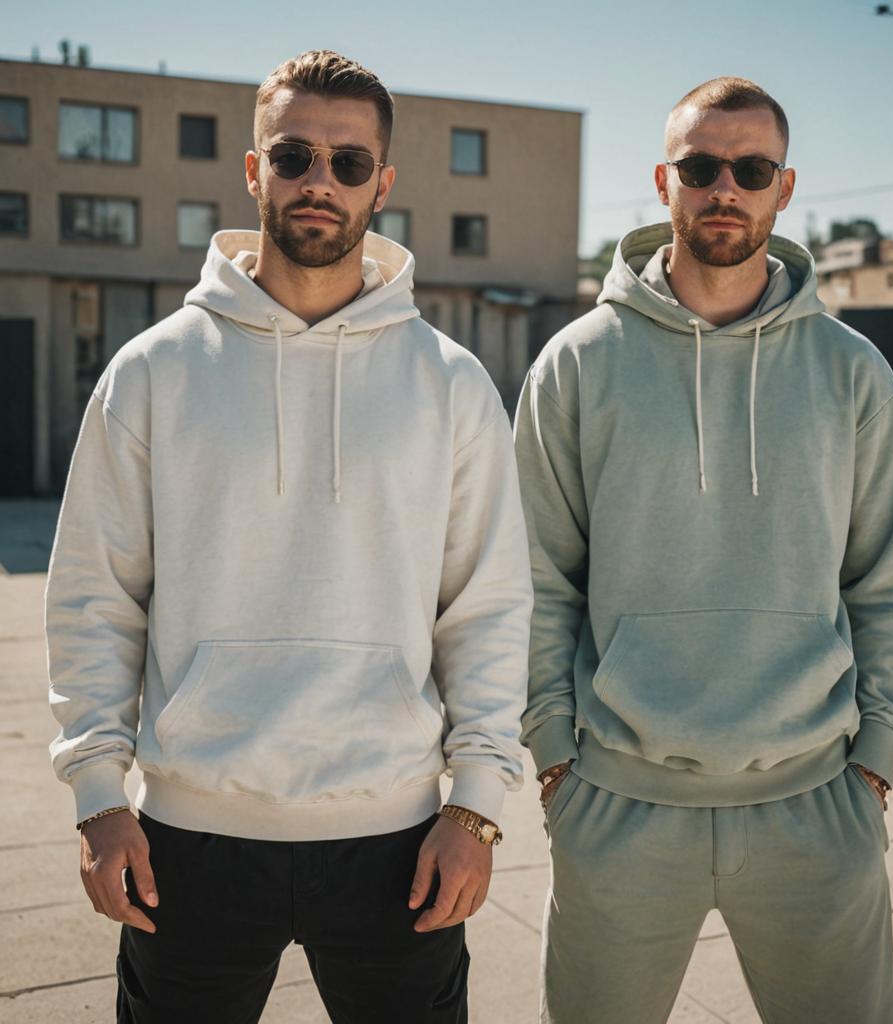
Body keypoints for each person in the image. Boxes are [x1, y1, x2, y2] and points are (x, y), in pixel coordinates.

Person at [46, 49, 532, 1023]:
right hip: (191, 837)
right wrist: (99, 793)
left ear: (383, 184)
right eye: (296, 155)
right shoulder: (153, 371)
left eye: (349, 164)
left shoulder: (449, 381)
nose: (321, 181)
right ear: (252, 168)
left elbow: (485, 606)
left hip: (400, 837)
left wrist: (475, 804)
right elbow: (97, 592)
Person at [514, 77, 893, 1024]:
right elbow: (536, 579)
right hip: (616, 802)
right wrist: (551, 756)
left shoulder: (851, 371)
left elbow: (892, 582)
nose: (724, 190)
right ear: (665, 181)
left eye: (751, 169)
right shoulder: (577, 363)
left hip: (818, 800)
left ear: (784, 189)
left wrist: (876, 755)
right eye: (701, 168)